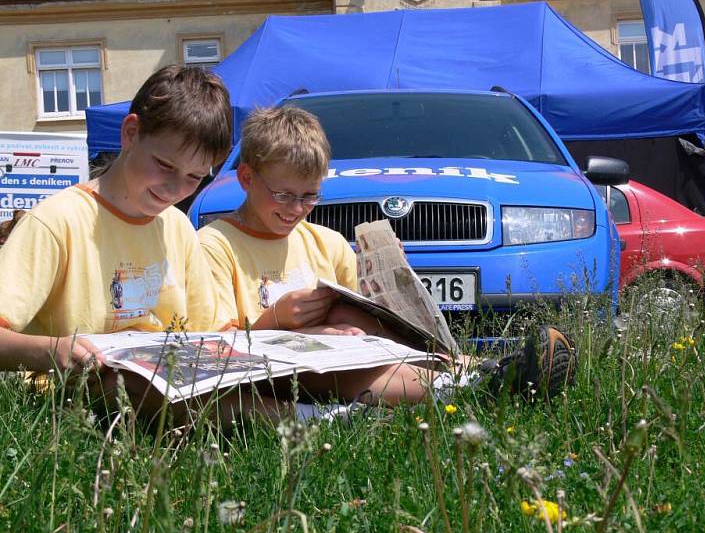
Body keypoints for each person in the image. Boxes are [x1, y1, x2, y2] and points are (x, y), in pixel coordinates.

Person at [200, 106, 578, 408]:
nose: (297, 208)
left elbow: (365, 312)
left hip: (343, 353)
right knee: (351, 372)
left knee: (348, 318)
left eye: (310, 196)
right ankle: (476, 388)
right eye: (284, 195)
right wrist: (278, 319)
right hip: (278, 370)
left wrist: (395, 275)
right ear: (247, 178)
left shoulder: (326, 241)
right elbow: (210, 345)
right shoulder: (216, 244)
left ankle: (484, 372)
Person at [0, 65, 290, 427]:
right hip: (76, 386)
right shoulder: (56, 220)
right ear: (131, 132)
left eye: (194, 178)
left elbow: (212, 331)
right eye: (165, 165)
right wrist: (52, 351)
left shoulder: (177, 227)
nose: (174, 189)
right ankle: (306, 420)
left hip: (174, 378)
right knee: (134, 384)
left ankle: (321, 411)